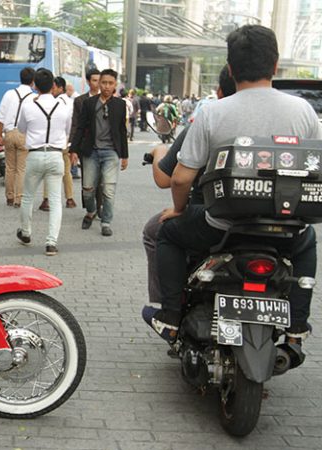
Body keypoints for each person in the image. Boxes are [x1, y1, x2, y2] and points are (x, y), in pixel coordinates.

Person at [145, 25, 322, 369]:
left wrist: (179, 209)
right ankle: (296, 328)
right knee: (308, 240)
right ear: (275, 65)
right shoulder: (303, 111)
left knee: (167, 233)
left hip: (221, 226)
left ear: (230, 67)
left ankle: (170, 318)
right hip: (286, 228)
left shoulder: (213, 113)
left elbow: (180, 178)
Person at [142, 65, 236, 307]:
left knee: (157, 231)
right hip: (277, 222)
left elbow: (171, 179)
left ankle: (168, 308)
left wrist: (160, 151)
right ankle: (298, 323)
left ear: (219, 91)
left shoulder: (209, 117)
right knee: (306, 238)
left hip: (212, 218)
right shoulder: (295, 113)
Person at [16, 68, 72, 256]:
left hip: (35, 155)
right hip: (56, 155)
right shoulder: (63, 107)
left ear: (35, 85)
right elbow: (67, 130)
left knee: (28, 197)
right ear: (53, 85)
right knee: (55, 200)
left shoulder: (28, 106)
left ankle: (26, 232)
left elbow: (21, 128)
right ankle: (51, 243)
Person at [69, 69, 128, 237]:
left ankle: (106, 222)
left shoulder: (120, 104)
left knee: (108, 189)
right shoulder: (89, 103)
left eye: (110, 83)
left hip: (111, 152)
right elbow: (80, 128)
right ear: (99, 83)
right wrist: (73, 150)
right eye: (104, 83)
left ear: (115, 85)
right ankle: (91, 210)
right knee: (87, 189)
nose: (107, 86)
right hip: (91, 152)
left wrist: (125, 155)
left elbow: (122, 131)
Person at [0, 67, 35, 207]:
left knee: (10, 167)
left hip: (9, 133)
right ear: (33, 81)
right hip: (24, 134)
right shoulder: (33, 98)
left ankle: (10, 197)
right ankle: (19, 198)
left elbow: (1, 117)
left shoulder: (9, 94)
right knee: (21, 168)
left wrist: (0, 135)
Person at [38, 76, 76, 211]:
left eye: (53, 87)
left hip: (54, 141)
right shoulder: (70, 102)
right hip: (66, 141)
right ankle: (70, 199)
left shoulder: (56, 102)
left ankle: (46, 200)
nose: (52, 90)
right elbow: (71, 124)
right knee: (66, 171)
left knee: (49, 170)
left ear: (61, 88)